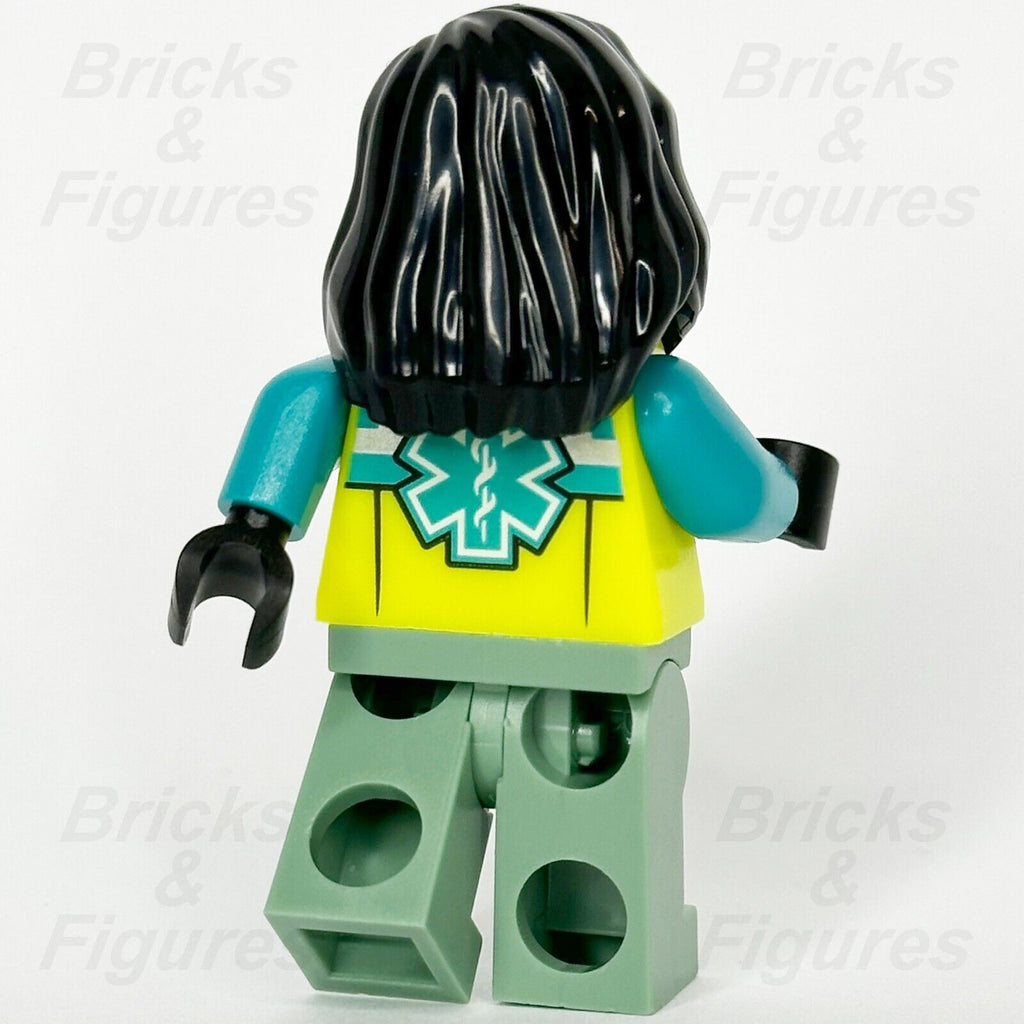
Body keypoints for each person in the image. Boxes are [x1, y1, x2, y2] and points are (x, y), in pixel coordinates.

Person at [169, 7, 837, 1014]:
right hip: (589, 675)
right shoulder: (655, 403)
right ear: (628, 207)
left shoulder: (353, 391)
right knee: (587, 855)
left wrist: (250, 532)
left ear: (387, 208)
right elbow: (735, 498)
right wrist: (790, 496)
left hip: (396, 663)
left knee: (370, 829)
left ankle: (366, 927)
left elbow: (291, 417)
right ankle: (579, 962)